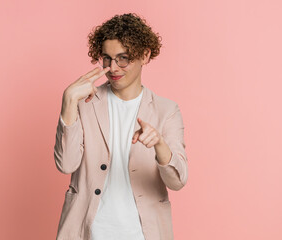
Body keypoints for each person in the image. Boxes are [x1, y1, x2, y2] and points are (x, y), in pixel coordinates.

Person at [54, 13, 188, 240]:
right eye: (107, 58)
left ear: (145, 55)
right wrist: (68, 100)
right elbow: (66, 165)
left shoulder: (167, 110)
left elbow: (177, 181)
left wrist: (159, 144)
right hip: (87, 231)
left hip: (143, 233)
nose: (113, 68)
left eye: (123, 58)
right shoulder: (85, 104)